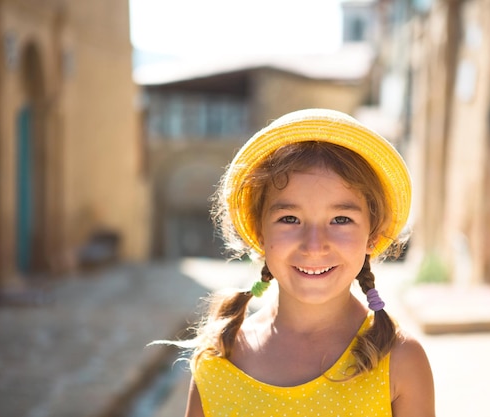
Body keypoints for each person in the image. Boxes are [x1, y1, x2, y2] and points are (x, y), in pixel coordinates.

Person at [176, 109, 435, 416]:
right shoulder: (218, 360)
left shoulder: (399, 361)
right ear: (259, 234)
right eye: (290, 219)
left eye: (340, 219)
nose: (314, 246)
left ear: (373, 235)